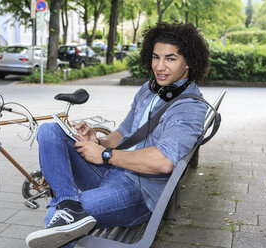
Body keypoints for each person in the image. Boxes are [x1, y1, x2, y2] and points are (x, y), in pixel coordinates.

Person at [26, 22, 210, 248]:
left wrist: (104, 155)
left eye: (170, 59)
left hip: (138, 192)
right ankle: (68, 203)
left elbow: (163, 161)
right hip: (112, 172)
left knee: (56, 218)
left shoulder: (189, 107)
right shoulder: (149, 89)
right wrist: (97, 141)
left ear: (188, 61)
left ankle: (66, 209)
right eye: (155, 57)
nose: (160, 66)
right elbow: (122, 134)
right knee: (50, 130)